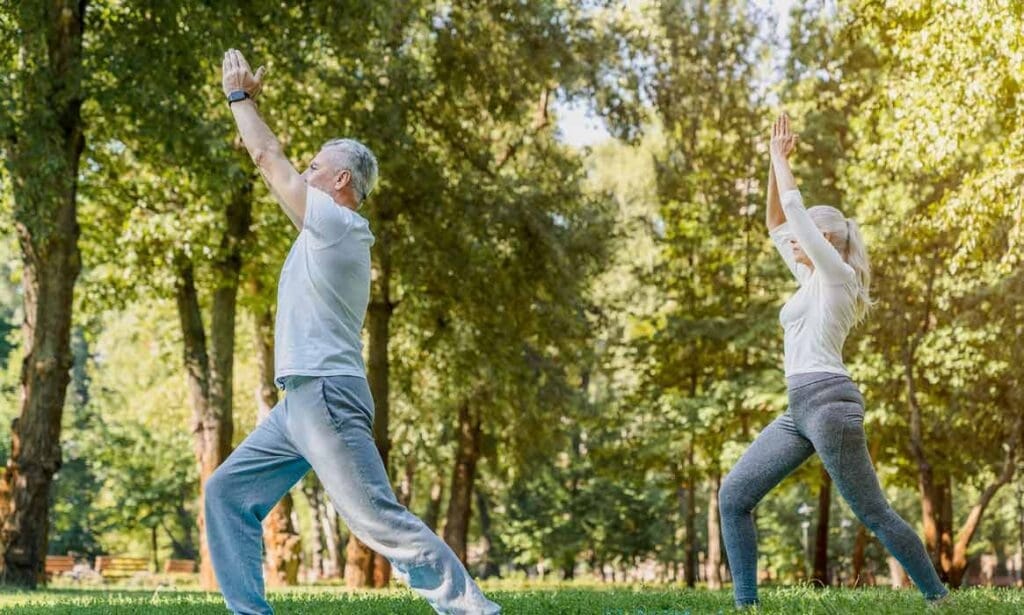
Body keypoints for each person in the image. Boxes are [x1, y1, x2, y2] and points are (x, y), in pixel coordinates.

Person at [204, 48, 501, 615]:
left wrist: (239, 97)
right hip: (299, 403)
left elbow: (268, 158)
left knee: (375, 519)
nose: (304, 171)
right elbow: (260, 152)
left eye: (315, 166)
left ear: (340, 180)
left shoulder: (339, 225)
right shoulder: (322, 231)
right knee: (227, 493)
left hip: (327, 396)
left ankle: (473, 610)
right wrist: (249, 120)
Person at [718, 113, 950, 609]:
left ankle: (938, 597)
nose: (792, 243)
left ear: (825, 242)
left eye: (806, 239)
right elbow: (777, 222)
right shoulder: (808, 278)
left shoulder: (837, 275)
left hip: (828, 404)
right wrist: (769, 162)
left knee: (874, 513)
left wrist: (783, 162)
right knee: (734, 496)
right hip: (797, 410)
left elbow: (795, 213)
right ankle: (745, 605)